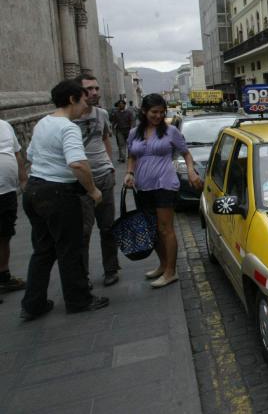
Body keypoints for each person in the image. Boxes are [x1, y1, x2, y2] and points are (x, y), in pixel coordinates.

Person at [20, 80, 109, 320]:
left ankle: (33, 304)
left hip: (34, 190)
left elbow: (31, 155)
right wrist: (93, 190)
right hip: (58, 194)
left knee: (43, 249)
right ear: (72, 99)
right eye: (83, 99)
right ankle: (79, 299)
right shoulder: (68, 128)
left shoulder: (43, 123)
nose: (85, 105)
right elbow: (78, 163)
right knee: (70, 248)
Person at [124, 94, 202, 288]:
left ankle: (170, 272)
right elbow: (132, 156)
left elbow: (186, 153)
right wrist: (129, 173)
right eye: (154, 112)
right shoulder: (134, 133)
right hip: (142, 186)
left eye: (161, 112)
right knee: (152, 229)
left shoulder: (170, 131)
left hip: (165, 183)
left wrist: (191, 171)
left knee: (165, 229)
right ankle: (163, 265)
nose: (158, 116)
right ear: (144, 111)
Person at [73, 74, 120, 287]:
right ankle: (82, 277)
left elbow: (105, 139)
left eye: (96, 88)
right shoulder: (68, 118)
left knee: (108, 227)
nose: (94, 92)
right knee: (82, 232)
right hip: (80, 182)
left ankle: (111, 269)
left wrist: (110, 165)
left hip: (104, 177)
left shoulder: (101, 114)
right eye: (89, 89)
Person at [0, 119, 28, 303]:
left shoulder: (5, 125)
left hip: (7, 191)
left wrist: (23, 179)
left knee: (5, 234)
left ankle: (3, 277)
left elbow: (16, 154)